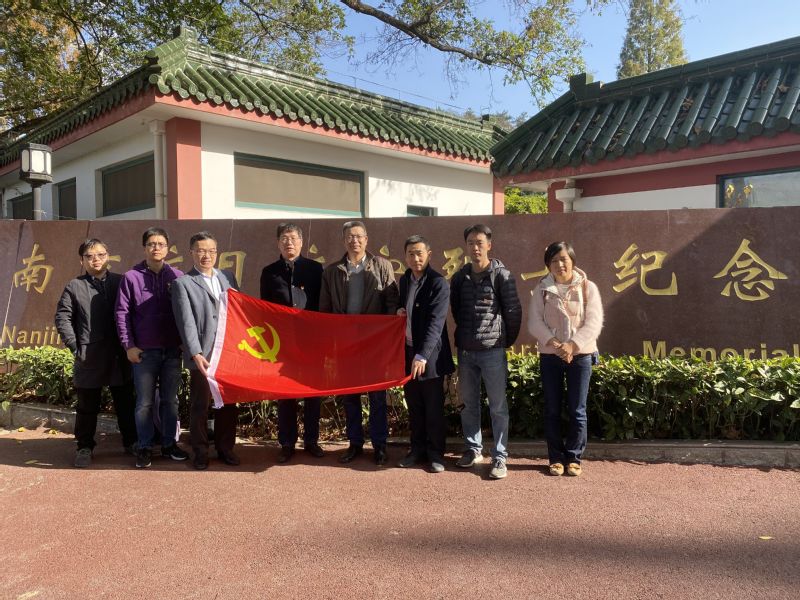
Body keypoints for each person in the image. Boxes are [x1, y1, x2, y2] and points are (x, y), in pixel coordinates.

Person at [319, 220, 399, 466]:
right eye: (350, 237)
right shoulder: (332, 271)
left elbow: (392, 303)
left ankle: (380, 445)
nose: (354, 240)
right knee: (350, 397)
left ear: (366, 239)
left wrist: (385, 335)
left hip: (374, 343)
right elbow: (325, 309)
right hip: (346, 343)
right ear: (344, 240)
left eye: (358, 236)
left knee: (377, 397)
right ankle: (354, 443)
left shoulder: (382, 266)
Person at [54, 239, 137, 468]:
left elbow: (133, 313)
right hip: (89, 356)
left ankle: (131, 442)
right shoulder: (74, 286)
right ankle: (84, 446)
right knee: (87, 406)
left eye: (100, 255)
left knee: (126, 403)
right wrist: (75, 346)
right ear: (82, 260)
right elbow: (62, 318)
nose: (95, 260)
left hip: (119, 354)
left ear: (108, 256)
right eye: (89, 256)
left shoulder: (121, 282)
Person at [450, 224, 521, 480]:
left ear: (489, 245)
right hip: (467, 352)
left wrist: (502, 341)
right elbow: (457, 311)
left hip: (493, 351)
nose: (475, 247)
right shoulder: (460, 277)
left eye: (480, 242)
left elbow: (513, 312)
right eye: (470, 243)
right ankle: (473, 449)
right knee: (469, 405)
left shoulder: (502, 276)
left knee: (498, 406)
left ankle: (500, 456)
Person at [528, 241, 603, 477]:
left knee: (577, 409)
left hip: (581, 355)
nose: (560, 264)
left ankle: (574, 457)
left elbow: (594, 322)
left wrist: (572, 345)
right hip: (551, 355)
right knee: (552, 409)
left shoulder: (588, 287)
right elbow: (534, 322)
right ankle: (556, 458)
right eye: (554, 260)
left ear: (572, 261)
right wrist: (554, 343)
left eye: (564, 259)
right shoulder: (541, 289)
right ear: (548, 265)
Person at [115, 227, 188, 469]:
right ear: (144, 248)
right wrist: (129, 346)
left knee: (170, 401)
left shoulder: (177, 276)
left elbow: (185, 313)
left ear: (168, 248)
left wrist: (184, 342)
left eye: (161, 244)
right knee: (144, 403)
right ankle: (144, 446)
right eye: (151, 244)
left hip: (172, 351)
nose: (156, 248)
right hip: (144, 352)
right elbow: (122, 313)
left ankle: (169, 444)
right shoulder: (131, 277)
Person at [171, 231, 240, 470]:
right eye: (200, 251)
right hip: (203, 355)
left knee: (228, 403)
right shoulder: (183, 283)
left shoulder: (228, 277)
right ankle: (200, 451)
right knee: (201, 404)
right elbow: (186, 322)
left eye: (211, 251)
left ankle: (226, 448)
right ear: (191, 252)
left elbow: (238, 311)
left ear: (217, 252)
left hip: (228, 353)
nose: (206, 255)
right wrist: (195, 353)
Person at [260, 223, 325, 464]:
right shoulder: (269, 272)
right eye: (284, 239)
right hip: (283, 343)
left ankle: (311, 440)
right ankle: (287, 443)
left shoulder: (315, 269)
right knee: (285, 394)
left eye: (293, 238)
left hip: (312, 341)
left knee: (312, 393)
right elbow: (264, 309)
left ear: (301, 242)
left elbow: (323, 305)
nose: (289, 243)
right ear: (278, 243)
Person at [396, 235, 454, 473]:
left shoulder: (438, 283)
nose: (415, 258)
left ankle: (436, 453)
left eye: (419, 253)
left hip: (430, 356)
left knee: (433, 408)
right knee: (415, 405)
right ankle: (417, 450)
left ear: (429, 254)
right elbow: (405, 308)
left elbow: (436, 323)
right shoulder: (404, 281)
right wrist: (399, 311)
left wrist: (422, 356)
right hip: (408, 351)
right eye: (410, 254)